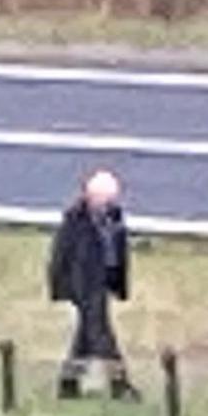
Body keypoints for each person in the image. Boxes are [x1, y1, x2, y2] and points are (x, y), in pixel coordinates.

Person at [46, 169, 138, 399]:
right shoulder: (75, 219)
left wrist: (118, 283)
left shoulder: (114, 217)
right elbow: (61, 255)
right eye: (102, 199)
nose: (106, 204)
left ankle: (69, 381)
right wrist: (61, 286)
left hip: (103, 281)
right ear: (89, 196)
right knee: (102, 336)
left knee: (85, 337)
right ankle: (120, 384)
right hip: (83, 284)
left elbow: (118, 250)